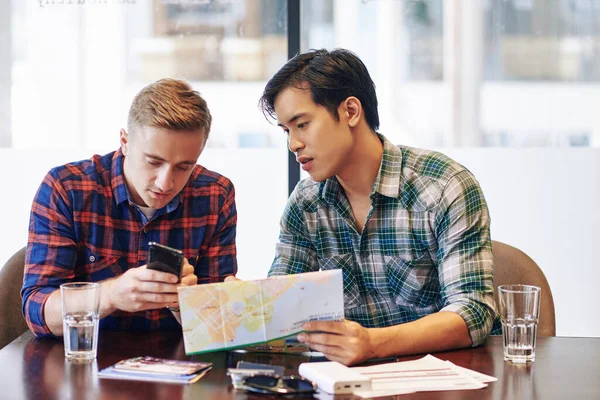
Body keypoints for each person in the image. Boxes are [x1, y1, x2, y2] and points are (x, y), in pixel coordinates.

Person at [259, 48, 501, 366]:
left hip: (447, 380)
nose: (293, 144)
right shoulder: (306, 204)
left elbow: (473, 311)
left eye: (302, 124)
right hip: (351, 383)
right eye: (287, 131)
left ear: (350, 111)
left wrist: (372, 343)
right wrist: (242, 306)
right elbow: (282, 310)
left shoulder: (444, 186)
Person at [22, 78, 237, 338]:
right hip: (83, 362)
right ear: (124, 141)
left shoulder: (216, 194)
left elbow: (218, 325)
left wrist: (182, 304)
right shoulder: (67, 188)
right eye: (153, 161)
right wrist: (111, 295)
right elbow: (38, 311)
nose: (165, 183)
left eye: (184, 167)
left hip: (176, 364)